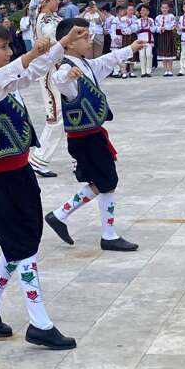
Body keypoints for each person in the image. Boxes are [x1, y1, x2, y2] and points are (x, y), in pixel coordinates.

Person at [0, 19, 89, 350]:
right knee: (25, 249)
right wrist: (32, 52)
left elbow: (29, 73)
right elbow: (6, 76)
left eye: (8, 47)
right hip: (2, 181)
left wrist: (61, 44)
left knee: (19, 243)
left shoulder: (2, 81)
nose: (8, 52)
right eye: (2, 47)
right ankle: (39, 322)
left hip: (20, 175)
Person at [44, 18, 146, 251]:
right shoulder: (67, 68)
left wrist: (130, 49)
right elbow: (60, 81)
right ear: (68, 43)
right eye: (82, 35)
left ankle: (60, 215)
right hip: (84, 138)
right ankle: (107, 235)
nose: (88, 38)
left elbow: (106, 60)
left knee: (102, 181)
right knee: (107, 181)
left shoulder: (86, 65)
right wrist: (68, 76)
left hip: (93, 134)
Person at [27, 0, 65, 178]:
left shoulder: (55, 18)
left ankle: (80, 159)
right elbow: (52, 40)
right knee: (56, 117)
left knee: (71, 113)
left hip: (62, 69)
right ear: (45, 1)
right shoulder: (45, 20)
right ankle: (38, 160)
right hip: (51, 70)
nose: (57, 2)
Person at [154, 1, 177, 76]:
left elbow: (173, 25)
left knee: (169, 53)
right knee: (163, 54)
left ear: (168, 9)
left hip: (169, 35)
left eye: (166, 8)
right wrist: (160, 28)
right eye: (163, 8)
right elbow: (155, 26)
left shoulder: (171, 16)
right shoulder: (158, 17)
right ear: (161, 9)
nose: (164, 9)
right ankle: (165, 70)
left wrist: (166, 27)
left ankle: (170, 70)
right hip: (161, 35)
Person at [135, 4, 156, 78]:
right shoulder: (137, 21)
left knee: (149, 55)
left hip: (149, 40)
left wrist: (150, 26)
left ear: (148, 12)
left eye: (143, 10)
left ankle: (148, 71)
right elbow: (135, 30)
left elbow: (154, 30)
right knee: (142, 55)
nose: (141, 12)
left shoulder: (151, 20)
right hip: (141, 39)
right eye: (141, 10)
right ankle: (143, 72)